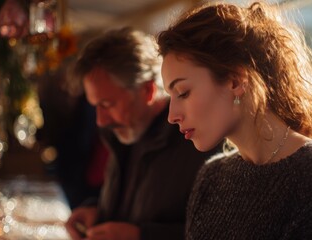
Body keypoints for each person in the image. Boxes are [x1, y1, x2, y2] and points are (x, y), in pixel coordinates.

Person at [157, 1, 312, 239]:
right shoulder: (211, 179)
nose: (172, 116)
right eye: (171, 96)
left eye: (183, 92)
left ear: (236, 81)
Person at [64, 27, 221, 240]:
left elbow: (219, 233)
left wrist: (142, 236)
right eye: (95, 107)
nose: (100, 120)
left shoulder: (198, 142)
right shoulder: (124, 133)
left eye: (107, 104)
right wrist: (97, 213)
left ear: (148, 91)